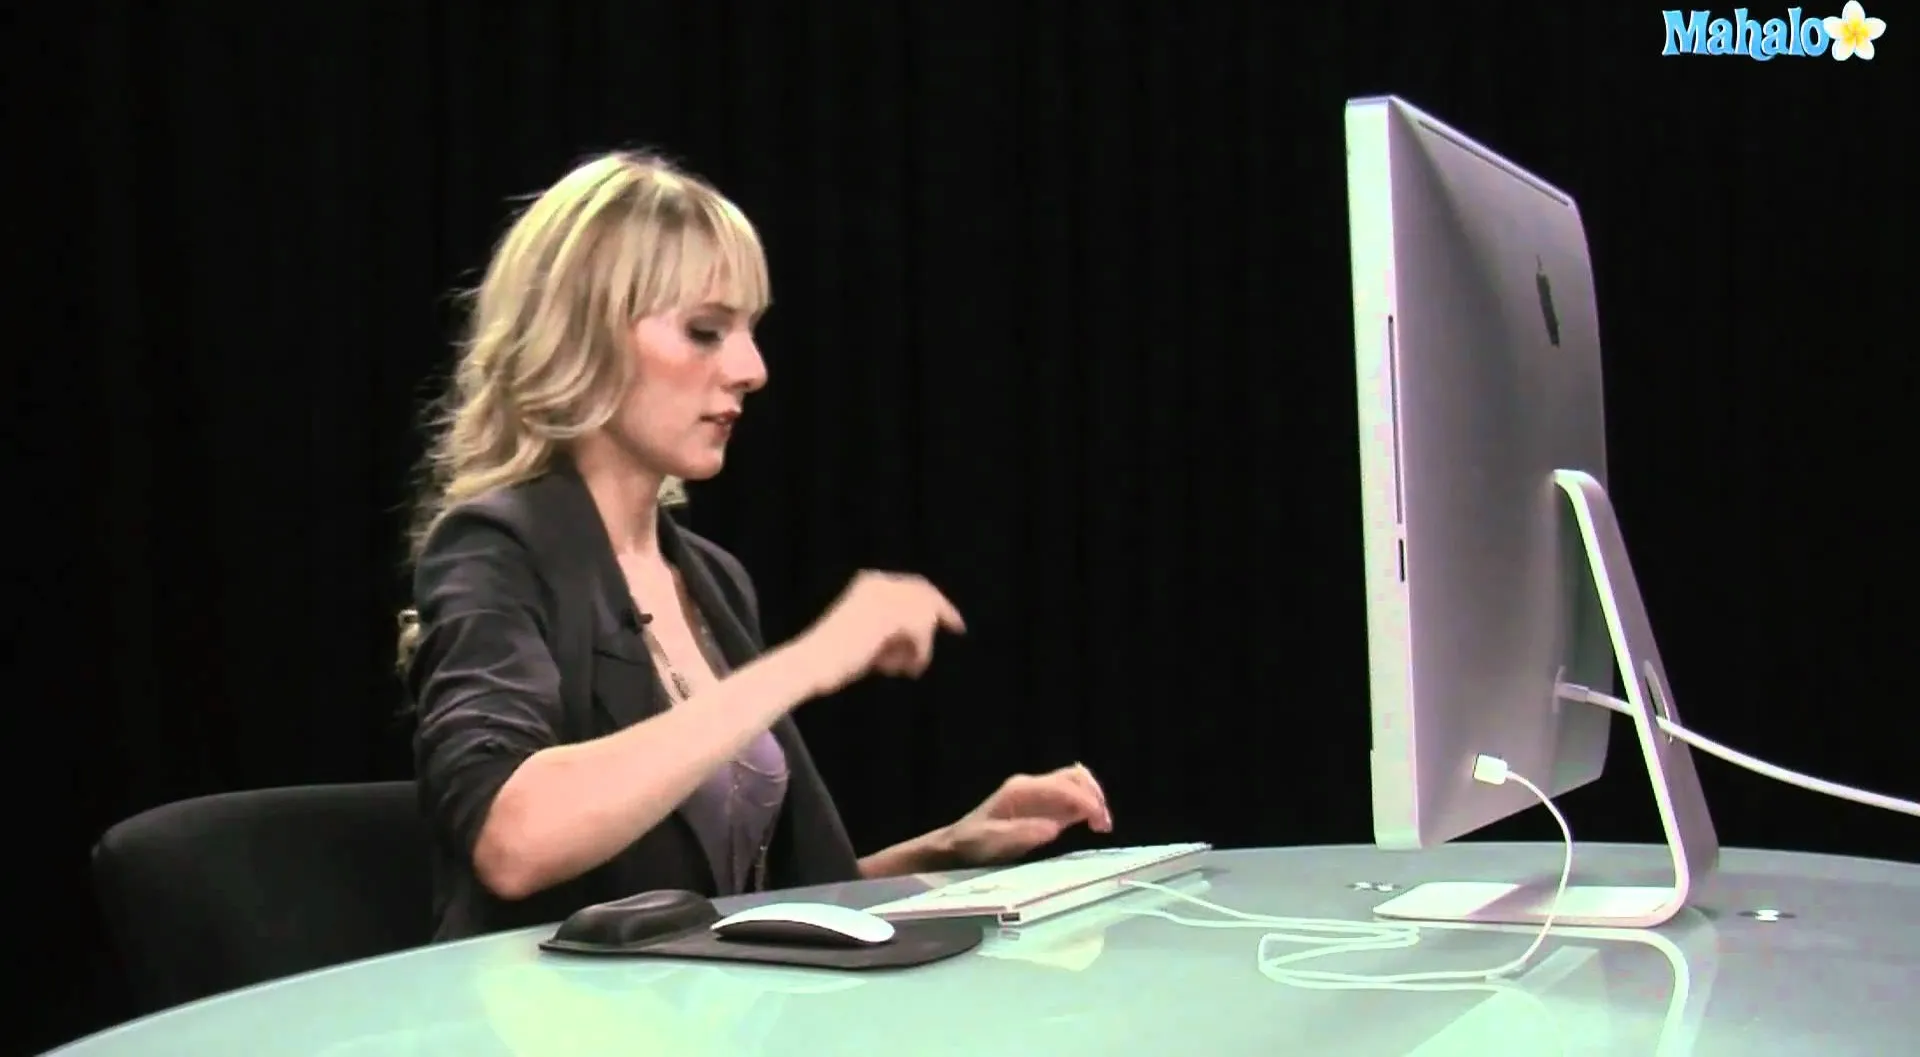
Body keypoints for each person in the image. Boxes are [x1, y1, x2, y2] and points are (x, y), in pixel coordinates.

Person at [397, 151, 1114, 942]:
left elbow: (737, 907)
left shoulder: (709, 577)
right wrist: (810, 659)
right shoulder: (497, 546)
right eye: (706, 331)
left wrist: (950, 850)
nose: (751, 369)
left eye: (749, 332)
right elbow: (513, 839)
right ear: (585, 335)